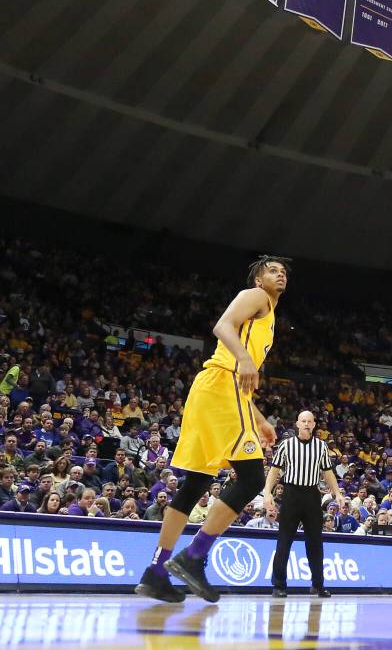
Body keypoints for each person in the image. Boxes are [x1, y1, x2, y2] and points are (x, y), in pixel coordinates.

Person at [133, 257, 286, 604]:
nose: (280, 274)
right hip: (221, 387)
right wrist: (246, 360)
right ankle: (194, 556)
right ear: (259, 280)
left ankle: (155, 573)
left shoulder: (268, 314)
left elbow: (232, 372)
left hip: (211, 390)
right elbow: (222, 327)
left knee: (197, 483)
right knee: (250, 480)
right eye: (272, 270)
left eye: (284, 271)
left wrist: (259, 418)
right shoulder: (256, 296)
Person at [266, 410, 342, 597]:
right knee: (284, 540)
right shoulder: (286, 445)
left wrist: (338, 493)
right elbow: (275, 470)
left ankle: (318, 584)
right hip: (291, 493)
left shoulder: (321, 447)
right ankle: (279, 585)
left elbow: (328, 472)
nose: (306, 424)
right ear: (297, 424)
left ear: (314, 424)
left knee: (315, 542)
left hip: (311, 495)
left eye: (310, 421)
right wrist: (267, 492)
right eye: (303, 421)